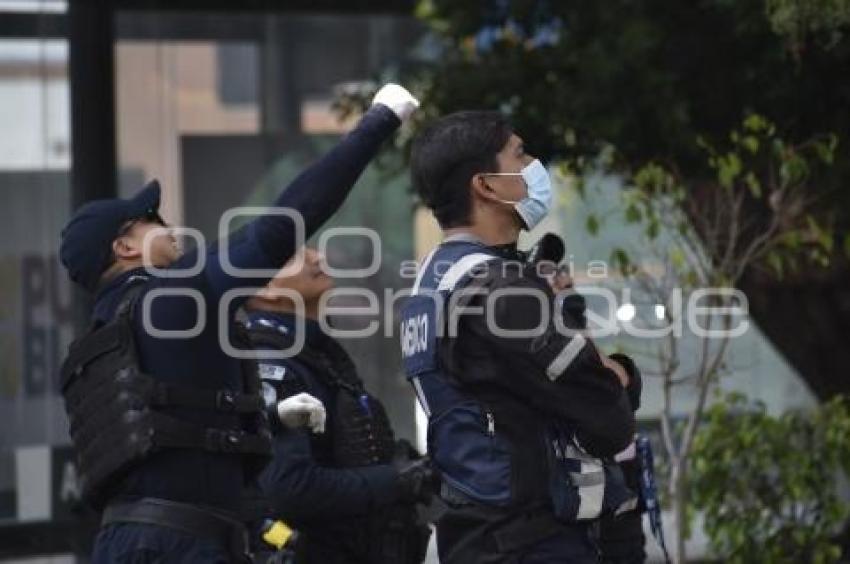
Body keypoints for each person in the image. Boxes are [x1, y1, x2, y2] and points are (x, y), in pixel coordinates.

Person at [58, 84, 419, 563]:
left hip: (131, 543)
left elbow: (163, 431)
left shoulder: (100, 343)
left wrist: (266, 414)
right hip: (181, 546)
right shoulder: (170, 300)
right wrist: (378, 121)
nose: (166, 224)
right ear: (124, 249)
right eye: (149, 219)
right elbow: (284, 224)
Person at [399, 111, 638, 563]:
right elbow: (608, 419)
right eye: (520, 154)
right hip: (533, 542)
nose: (534, 166)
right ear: (485, 186)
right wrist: (622, 374)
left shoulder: (428, 286)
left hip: (474, 535)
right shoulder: (501, 288)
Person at [242, 247, 433, 564]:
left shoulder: (311, 353)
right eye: (292, 256)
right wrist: (394, 480)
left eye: (310, 248)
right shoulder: (272, 365)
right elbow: (290, 489)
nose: (316, 257)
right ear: (264, 288)